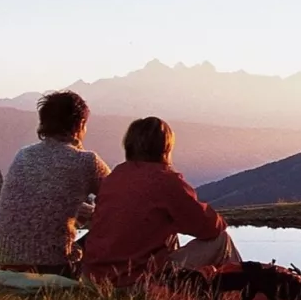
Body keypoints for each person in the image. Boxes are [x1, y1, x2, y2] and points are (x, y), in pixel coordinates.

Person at [79, 116, 242, 286]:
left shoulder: (115, 177)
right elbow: (210, 228)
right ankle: (243, 294)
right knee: (221, 240)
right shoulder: (165, 181)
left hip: (93, 277)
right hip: (133, 280)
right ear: (165, 148)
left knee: (168, 235)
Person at [0, 90, 110, 275]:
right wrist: (97, 214)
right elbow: (122, 199)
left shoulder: (23, 155)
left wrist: (78, 210)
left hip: (5, 262)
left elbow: (43, 203)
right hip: (53, 266)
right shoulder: (87, 161)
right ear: (80, 124)